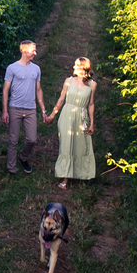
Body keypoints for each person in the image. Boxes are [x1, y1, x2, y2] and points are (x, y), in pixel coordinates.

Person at [44, 57, 96, 189]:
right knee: (66, 145)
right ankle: (65, 177)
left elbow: (91, 104)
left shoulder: (92, 85)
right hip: (67, 115)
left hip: (81, 117)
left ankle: (81, 172)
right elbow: (61, 100)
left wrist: (92, 123)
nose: (73, 67)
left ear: (84, 67)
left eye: (77, 65)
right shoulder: (68, 81)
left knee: (81, 145)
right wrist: (51, 116)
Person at [2, 40, 46, 174]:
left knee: (32, 139)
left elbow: (38, 90)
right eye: (33, 50)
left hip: (31, 109)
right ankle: (11, 168)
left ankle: (23, 157)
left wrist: (43, 110)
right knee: (13, 140)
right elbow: (5, 90)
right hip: (15, 107)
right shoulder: (12, 68)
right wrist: (5, 111)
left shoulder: (36, 69)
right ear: (25, 51)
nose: (35, 53)